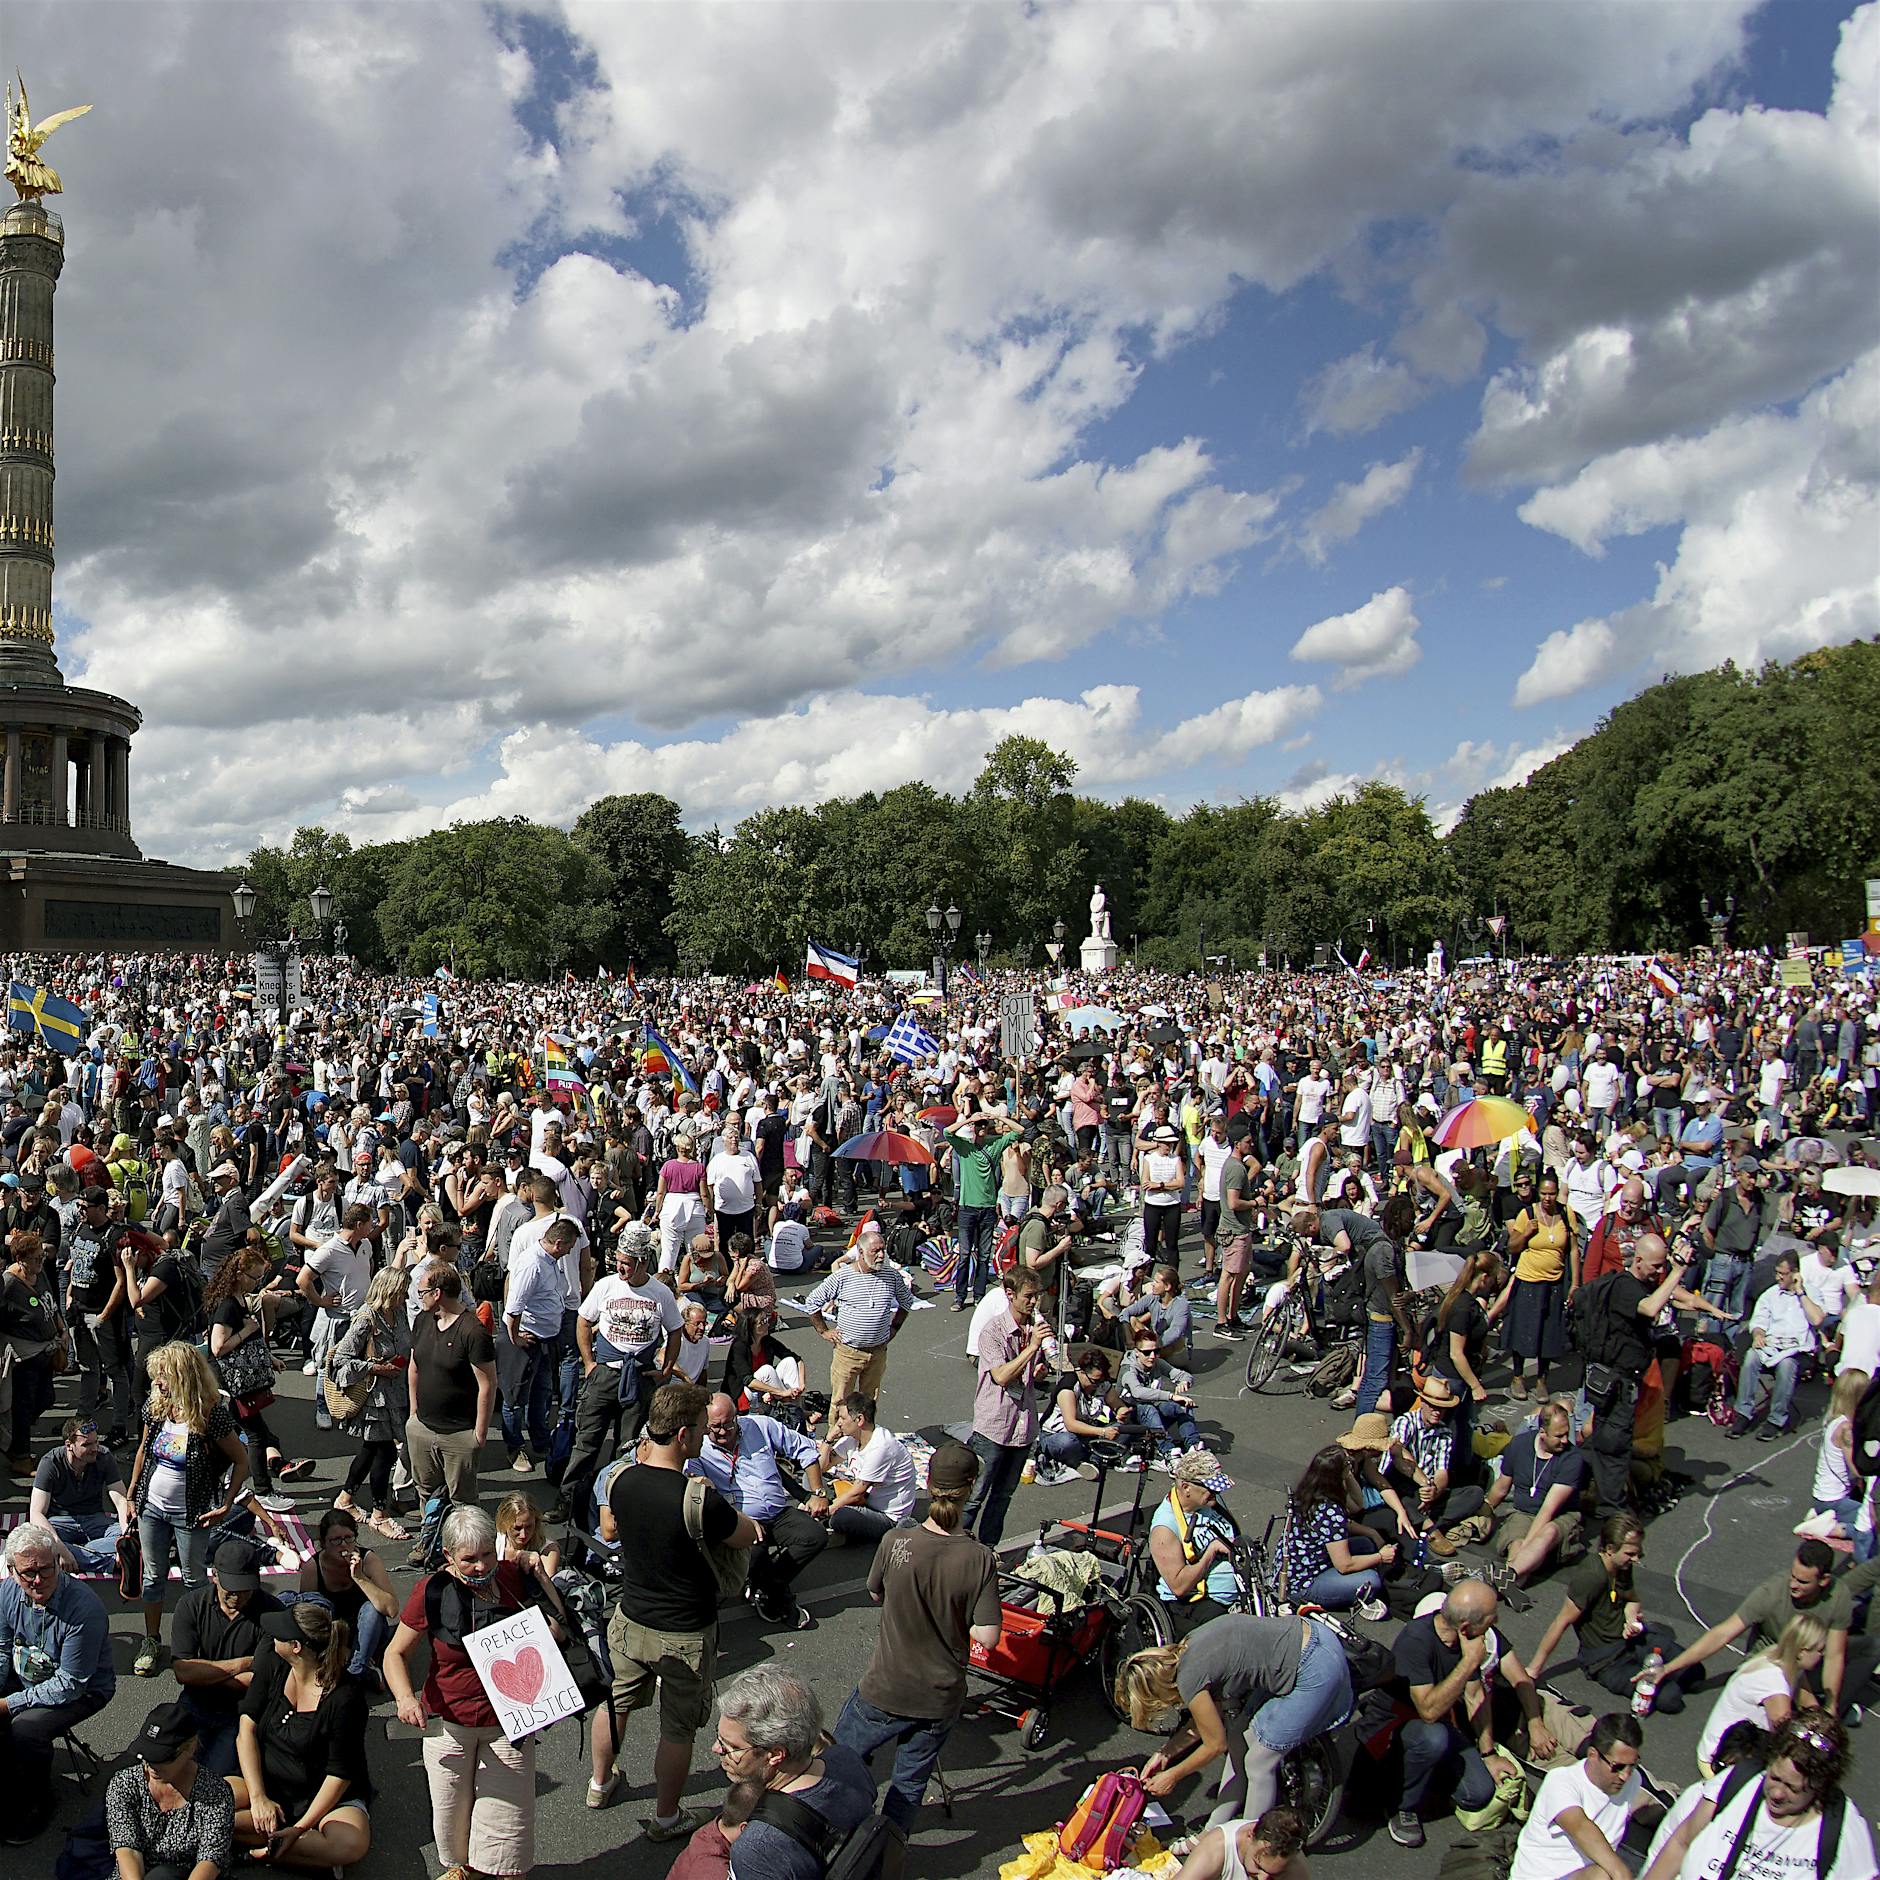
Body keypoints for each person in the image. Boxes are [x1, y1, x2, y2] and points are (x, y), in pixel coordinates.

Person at [588, 1380, 758, 1839]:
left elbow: (614, 1530)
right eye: (701, 1428)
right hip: (684, 1631)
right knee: (678, 1727)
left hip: (630, 1619)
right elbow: (746, 1535)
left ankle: (600, 1783)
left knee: (616, 1703)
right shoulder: (698, 1498)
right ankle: (666, 1817)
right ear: (683, 1434)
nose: (704, 1435)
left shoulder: (620, 1479)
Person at [832, 1441, 1000, 1832]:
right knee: (908, 1785)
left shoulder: (896, 1542)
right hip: (937, 1697)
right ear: (971, 1486)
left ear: (928, 1481)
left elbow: (875, 1592)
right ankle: (886, 1851)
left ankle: (832, 1832)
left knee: (837, 1764)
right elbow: (988, 1637)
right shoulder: (980, 1559)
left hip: (884, 1687)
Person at [384, 1505, 551, 1880]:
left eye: (487, 1554)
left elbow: (559, 1627)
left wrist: (539, 1573)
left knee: (508, 1838)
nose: (481, 1566)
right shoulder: (430, 1591)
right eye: (469, 1559)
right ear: (448, 1556)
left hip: (509, 1727)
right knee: (452, 1825)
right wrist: (405, 1699)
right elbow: (394, 1653)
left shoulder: (512, 1577)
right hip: (448, 1727)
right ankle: (464, 1870)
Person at [1123, 1614, 1354, 1829]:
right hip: (1312, 1637)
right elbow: (1203, 1724)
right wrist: (1165, 1754)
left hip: (1314, 1668)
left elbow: (1215, 1744)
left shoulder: (1188, 1680)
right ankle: (1213, 1829)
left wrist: (1173, 1775)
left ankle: (1248, 1844)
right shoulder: (1186, 1650)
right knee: (1239, 1740)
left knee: (1258, 1762)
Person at [1387, 1578, 1556, 1848]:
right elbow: (1428, 1711)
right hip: (1399, 1729)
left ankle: (1429, 1775)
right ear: (1466, 1627)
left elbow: (1476, 1695)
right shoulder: (1417, 1641)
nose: (1497, 1621)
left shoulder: (1468, 1640)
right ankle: (1401, 1805)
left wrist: (1488, 1754)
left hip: (1442, 1728)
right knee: (1434, 1738)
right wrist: (1468, 1663)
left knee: (1479, 1794)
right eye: (1491, 1618)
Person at [126, 1342, 251, 1679]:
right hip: (152, 1508)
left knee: (194, 1580)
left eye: (163, 1376)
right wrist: (132, 1493)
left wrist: (225, 1504)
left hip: (191, 1512)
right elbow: (142, 1451)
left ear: (181, 1375)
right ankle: (151, 1641)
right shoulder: (157, 1408)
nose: (157, 1383)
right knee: (153, 1577)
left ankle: (199, 1644)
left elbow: (241, 1461)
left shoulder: (210, 1413)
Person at [1648, 1538, 1876, 1719]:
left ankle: (1829, 1715)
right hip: (1771, 1661)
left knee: (1872, 1648)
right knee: (1805, 1706)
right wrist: (1668, 1669)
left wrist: (1832, 1706)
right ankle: (1810, 1713)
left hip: (1808, 1658)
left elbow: (1835, 1655)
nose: (1793, 1585)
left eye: (1803, 1582)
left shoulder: (1839, 1596)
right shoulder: (1772, 1592)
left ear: (1824, 1581)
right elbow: (1723, 1632)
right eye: (1793, 1576)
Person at [1642, 1713, 1874, 1880]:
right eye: (1775, 1778)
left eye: (1793, 1789)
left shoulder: (1842, 1826)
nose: (1777, 1793)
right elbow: (1681, 1843)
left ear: (1820, 1785)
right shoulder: (1739, 1781)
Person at [559, 1222, 681, 1526]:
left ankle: (615, 1505)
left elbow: (676, 1330)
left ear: (641, 1262)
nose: (620, 1267)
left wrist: (665, 1369)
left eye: (626, 1262)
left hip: (639, 1376)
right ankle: (569, 1501)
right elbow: (584, 1321)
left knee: (627, 1446)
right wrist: (589, 1362)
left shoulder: (660, 1293)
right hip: (605, 1374)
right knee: (587, 1442)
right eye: (619, 1261)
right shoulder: (606, 1286)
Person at [0, 1522, 115, 1843]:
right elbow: (2, 1648)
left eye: (46, 1570)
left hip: (84, 1689)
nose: (38, 1580)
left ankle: (39, 1800)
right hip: (28, 1675)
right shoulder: (7, 1592)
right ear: (12, 1571)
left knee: (25, 1728)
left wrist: (7, 1704)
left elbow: (70, 1683)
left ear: (56, 1563)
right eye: (28, 1573)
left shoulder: (84, 1609)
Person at [710, 1666, 877, 1878]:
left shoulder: (757, 1847)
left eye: (731, 1746)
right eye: (719, 1736)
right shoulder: (846, 1759)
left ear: (775, 1755)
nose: (716, 1749)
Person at [694, 1391, 831, 1628]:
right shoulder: (699, 1447)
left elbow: (806, 1450)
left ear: (738, 1416)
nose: (723, 1432)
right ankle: (776, 1594)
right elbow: (694, 1482)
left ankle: (769, 1585)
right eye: (715, 1427)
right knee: (753, 1555)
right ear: (705, 1425)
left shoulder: (761, 1426)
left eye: (729, 1424)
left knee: (814, 1535)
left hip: (778, 1512)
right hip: (741, 1519)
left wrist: (817, 1493)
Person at [171, 1537, 285, 1776]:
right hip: (195, 1703)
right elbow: (183, 1671)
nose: (239, 1597)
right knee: (169, 1768)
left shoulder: (272, 1612)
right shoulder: (190, 1605)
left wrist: (203, 1674)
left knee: (213, 1778)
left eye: (246, 1589)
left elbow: (260, 1680)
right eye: (232, 1588)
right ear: (214, 1576)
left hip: (241, 1712)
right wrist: (243, 1663)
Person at [963, 1267, 1052, 1547]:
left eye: (1036, 1296)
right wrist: (1031, 1349)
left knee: (1003, 1496)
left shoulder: (1031, 1329)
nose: (1033, 1302)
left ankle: (988, 1549)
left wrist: (1037, 1368)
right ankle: (955, 1549)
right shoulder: (994, 1331)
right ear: (1010, 1294)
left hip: (1022, 1427)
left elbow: (1024, 1372)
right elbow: (1001, 1376)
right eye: (1028, 1296)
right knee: (975, 1495)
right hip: (994, 1426)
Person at [105, 1697, 236, 1880]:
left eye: (163, 1758)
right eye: (148, 1757)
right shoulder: (123, 1784)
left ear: (190, 1748)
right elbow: (128, 1850)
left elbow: (210, 1861)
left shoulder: (216, 1793)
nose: (151, 1766)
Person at [405, 1263, 495, 1522]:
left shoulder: (472, 1331)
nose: (417, 1296)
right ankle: (430, 1542)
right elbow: (415, 1367)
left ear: (438, 1293)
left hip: (459, 1434)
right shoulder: (423, 1320)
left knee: (463, 1505)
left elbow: (487, 1384)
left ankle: (463, 1556)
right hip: (421, 1428)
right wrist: (413, 1414)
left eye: (421, 1291)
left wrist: (478, 1434)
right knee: (427, 1493)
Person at [1507, 1712, 1646, 1880]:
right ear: (1593, 1755)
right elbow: (1581, 1827)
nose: (1625, 1775)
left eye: (1632, 1765)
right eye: (1617, 1767)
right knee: (1605, 1875)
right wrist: (1621, 1874)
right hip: (1544, 1876)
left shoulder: (1633, 1779)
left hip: (1587, 1871)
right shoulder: (1561, 1782)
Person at [328, 1263, 412, 1541]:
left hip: (396, 1395)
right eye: (401, 1291)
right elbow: (341, 1361)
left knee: (370, 1451)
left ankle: (345, 1498)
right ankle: (379, 1514)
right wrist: (375, 1368)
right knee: (385, 1454)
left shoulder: (398, 1313)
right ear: (388, 1291)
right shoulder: (366, 1318)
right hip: (375, 1400)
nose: (406, 1296)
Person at [1694, 1614, 1827, 1778]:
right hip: (1723, 1757)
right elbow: (1786, 1737)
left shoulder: (1780, 1657)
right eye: (1820, 1650)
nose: (1823, 1655)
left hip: (1728, 1743)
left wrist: (1825, 1725)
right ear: (1802, 1651)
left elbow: (1810, 1704)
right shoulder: (1775, 1683)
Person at [803, 1221, 913, 1404]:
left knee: (868, 1403)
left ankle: (864, 1433)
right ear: (860, 1253)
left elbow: (907, 1303)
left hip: (878, 1352)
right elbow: (812, 1302)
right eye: (875, 1251)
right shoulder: (842, 1276)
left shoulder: (891, 1276)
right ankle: (836, 1433)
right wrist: (824, 1331)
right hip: (848, 1353)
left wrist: (894, 1328)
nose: (881, 1255)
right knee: (840, 1402)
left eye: (883, 1250)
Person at [1482, 1397, 1589, 1582]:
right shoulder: (1519, 1445)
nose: (1565, 1440)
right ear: (1542, 1432)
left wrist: (1527, 1545)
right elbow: (1501, 1487)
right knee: (1516, 1544)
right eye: (1558, 1436)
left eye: (1566, 1434)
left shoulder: (1573, 1459)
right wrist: (1483, 1511)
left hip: (1559, 1517)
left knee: (1546, 1534)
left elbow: (1548, 1509)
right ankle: (1510, 1582)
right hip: (1523, 1513)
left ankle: (1508, 1577)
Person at [1282, 1445, 1392, 1620]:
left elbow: (1358, 1504)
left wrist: (1347, 1475)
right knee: (1372, 1579)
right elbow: (1344, 1564)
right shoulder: (1330, 1511)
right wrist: (1381, 1557)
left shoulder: (1309, 1493)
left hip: (1297, 1568)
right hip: (1303, 1584)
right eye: (1347, 1465)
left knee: (1366, 1544)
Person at [1727, 1251, 1828, 1440]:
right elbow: (1758, 1322)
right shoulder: (1770, 1295)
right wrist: (1758, 1334)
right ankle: (1743, 1414)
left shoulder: (1812, 1293)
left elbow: (1816, 1320)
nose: (1778, 1277)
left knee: (1787, 1365)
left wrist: (1801, 1292)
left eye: (1783, 1273)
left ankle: (1776, 1420)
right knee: (1750, 1357)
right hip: (1772, 1345)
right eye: (1777, 1272)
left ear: (1795, 1273)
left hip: (1798, 1350)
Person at [294, 1507, 399, 1684]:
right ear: (323, 1543)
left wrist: (360, 1577)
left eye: (348, 1538)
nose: (343, 1545)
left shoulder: (368, 1560)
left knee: (371, 1609)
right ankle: (356, 1667)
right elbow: (306, 1618)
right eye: (335, 1540)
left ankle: (357, 1669)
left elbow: (392, 1609)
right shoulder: (313, 1567)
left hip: (368, 1632)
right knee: (317, 1607)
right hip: (333, 1636)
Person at [1499, 1171, 1579, 1402]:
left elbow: (1573, 1250)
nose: (1547, 1198)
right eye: (1543, 1193)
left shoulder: (1566, 1213)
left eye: (1551, 1194)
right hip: (1528, 1279)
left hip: (1553, 1281)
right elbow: (1512, 1247)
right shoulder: (1527, 1214)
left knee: (1548, 1332)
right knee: (1523, 1330)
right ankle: (1517, 1376)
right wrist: (1526, 1234)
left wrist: (1574, 1282)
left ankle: (1542, 1379)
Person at [1386, 1375, 1487, 1553]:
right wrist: (1424, 1483)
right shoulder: (1406, 1422)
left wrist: (1434, 1491)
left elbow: (1442, 1473)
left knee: (1475, 1493)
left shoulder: (1444, 1433)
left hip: (1425, 1492)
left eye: (1442, 1408)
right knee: (1404, 1490)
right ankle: (1429, 1529)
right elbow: (1398, 1454)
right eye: (1433, 1406)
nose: (1437, 1411)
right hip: (1403, 1483)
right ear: (1422, 1402)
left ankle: (1421, 1521)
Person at [1149, 1449, 1244, 1633]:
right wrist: (1210, 1551)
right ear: (1186, 1487)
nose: (1216, 1492)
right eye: (1210, 1487)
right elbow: (1179, 1586)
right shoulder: (1165, 1528)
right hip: (1195, 1605)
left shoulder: (1209, 1501)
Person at [31, 1412, 133, 1573]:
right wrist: (61, 1549)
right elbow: (36, 1513)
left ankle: (81, 1553)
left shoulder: (104, 1456)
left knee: (132, 1537)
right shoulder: (50, 1463)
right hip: (61, 1521)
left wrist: (127, 1536)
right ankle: (109, 1562)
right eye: (87, 1445)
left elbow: (120, 1500)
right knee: (39, 1542)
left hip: (94, 1519)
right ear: (69, 1445)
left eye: (96, 1442)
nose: (95, 1449)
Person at [944, 1111, 1025, 1309]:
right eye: (976, 1126)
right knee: (964, 1255)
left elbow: (1020, 1130)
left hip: (988, 1209)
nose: (979, 1129)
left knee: (983, 1255)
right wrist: (969, 1119)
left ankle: (979, 1294)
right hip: (967, 1209)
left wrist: (997, 1118)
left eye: (982, 1126)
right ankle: (960, 1296)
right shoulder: (964, 1148)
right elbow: (947, 1132)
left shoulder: (994, 1146)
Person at [818, 1392, 917, 1546]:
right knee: (812, 1478)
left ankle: (848, 1534)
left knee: (841, 1517)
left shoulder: (881, 1447)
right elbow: (822, 1467)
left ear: (859, 1420)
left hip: (887, 1516)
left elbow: (857, 1492)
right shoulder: (852, 1439)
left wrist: (826, 1511)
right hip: (865, 1501)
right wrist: (828, 1439)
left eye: (843, 1418)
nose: (838, 1423)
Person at [1036, 1345, 1133, 1482]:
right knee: (1067, 1443)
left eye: (1101, 1380)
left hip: (1088, 1434)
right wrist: (1103, 1432)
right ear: (1082, 1373)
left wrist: (1122, 1413)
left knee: (1124, 1429)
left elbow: (1118, 1406)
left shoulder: (1102, 1384)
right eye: (1095, 1381)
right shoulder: (1069, 1387)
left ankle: (1092, 1460)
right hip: (1058, 1435)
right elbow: (1071, 1424)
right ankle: (1093, 1457)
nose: (1098, 1384)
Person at [1811, 1368, 1874, 1559]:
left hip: (1824, 1497)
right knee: (1870, 1527)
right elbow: (1858, 1469)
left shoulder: (1834, 1420)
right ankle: (1833, 1528)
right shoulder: (1846, 1429)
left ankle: (1821, 1518)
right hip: (1834, 1501)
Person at [1122, 1327, 1206, 1459]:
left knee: (1184, 1404)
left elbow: (1183, 1375)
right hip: (1131, 1416)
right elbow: (1138, 1393)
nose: (1152, 1356)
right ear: (1137, 1352)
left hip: (1153, 1410)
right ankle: (1167, 1451)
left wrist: (1184, 1382)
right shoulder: (1128, 1370)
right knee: (1148, 1409)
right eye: (1147, 1352)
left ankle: (1193, 1445)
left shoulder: (1157, 1362)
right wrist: (1171, 1396)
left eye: (1156, 1351)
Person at [1169, 1805, 1311, 1880]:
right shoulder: (1216, 1848)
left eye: (1274, 1875)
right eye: (1258, 1866)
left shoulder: (1294, 1864)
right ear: (1250, 1836)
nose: (1263, 1878)